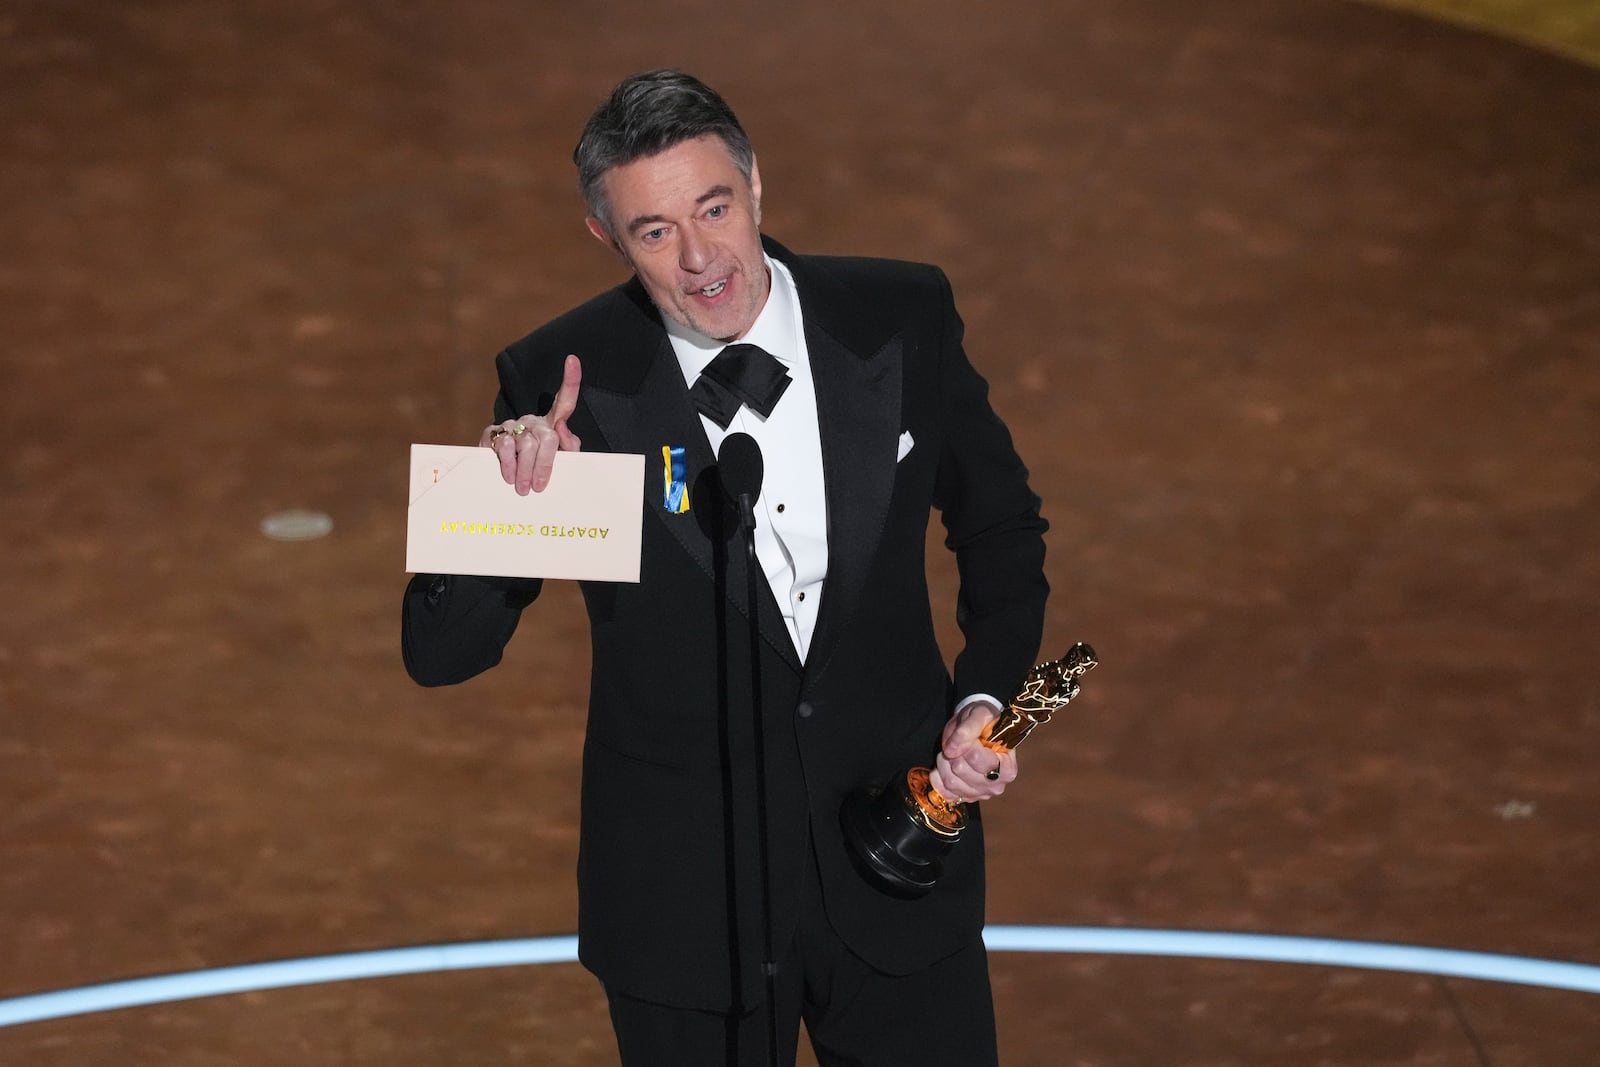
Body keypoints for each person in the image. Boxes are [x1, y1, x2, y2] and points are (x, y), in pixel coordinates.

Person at [402, 69, 1049, 1067]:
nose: (702, 258)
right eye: (654, 230)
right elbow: (440, 655)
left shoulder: (901, 313)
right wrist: (504, 503)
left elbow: (1001, 525)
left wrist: (983, 696)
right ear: (605, 238)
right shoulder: (571, 380)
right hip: (684, 913)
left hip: (896, 865)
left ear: (756, 184)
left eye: (715, 207)